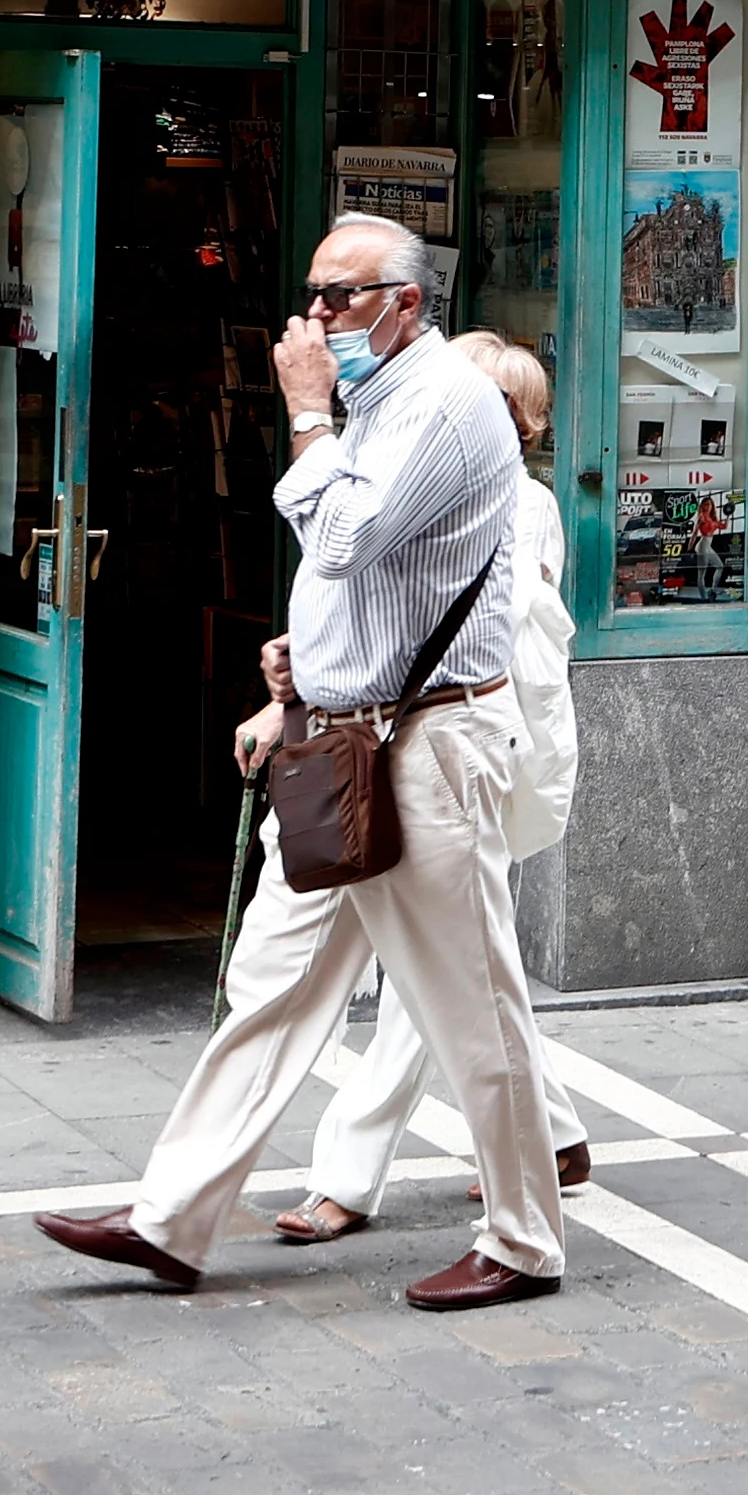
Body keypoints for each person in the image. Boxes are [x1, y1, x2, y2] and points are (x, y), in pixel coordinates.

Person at [31, 213, 565, 1309]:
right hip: (342, 742)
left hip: (424, 746)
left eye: (341, 295)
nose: (315, 317)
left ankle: (522, 1240)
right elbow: (350, 582)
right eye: (312, 294)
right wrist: (294, 688)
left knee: (475, 1004)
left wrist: (309, 412)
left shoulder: (444, 404)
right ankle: (171, 1221)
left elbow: (337, 539)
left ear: (407, 303)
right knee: (268, 989)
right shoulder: (383, 402)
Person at [274, 330, 594, 1245]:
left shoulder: (518, 504)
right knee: (469, 975)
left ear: (513, 423)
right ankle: (559, 1137)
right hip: (428, 751)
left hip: (474, 757)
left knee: (428, 988)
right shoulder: (430, 493)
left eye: (479, 402)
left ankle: (347, 1175)